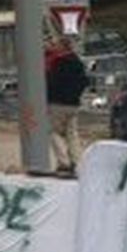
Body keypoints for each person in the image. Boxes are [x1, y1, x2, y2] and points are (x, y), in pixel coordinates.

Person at [46, 37, 89, 175]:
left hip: (57, 102)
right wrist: (76, 94)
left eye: (56, 44)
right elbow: (85, 81)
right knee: (72, 133)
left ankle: (63, 162)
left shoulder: (57, 62)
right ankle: (77, 161)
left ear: (62, 47)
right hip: (73, 104)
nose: (53, 46)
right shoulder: (77, 62)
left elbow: (51, 81)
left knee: (53, 131)